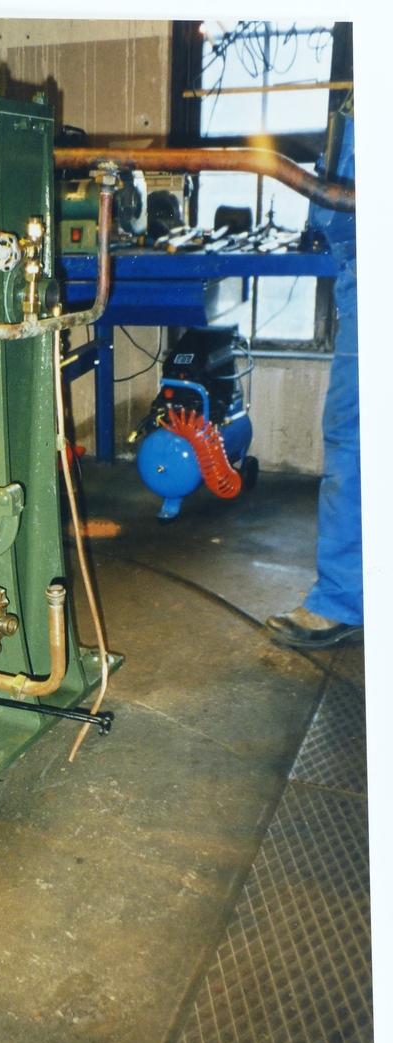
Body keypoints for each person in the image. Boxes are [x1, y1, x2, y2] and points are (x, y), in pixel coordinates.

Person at [267, 102, 361, 650]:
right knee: (352, 438)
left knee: (355, 440)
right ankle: (347, 597)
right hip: (359, 276)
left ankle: (345, 599)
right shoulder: (354, 109)